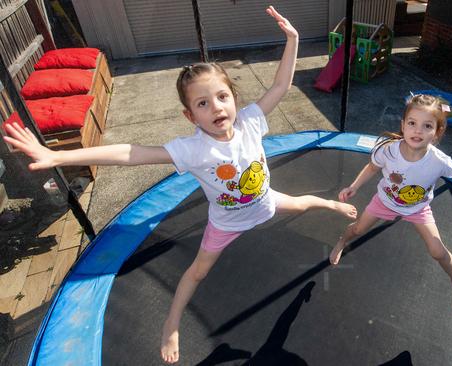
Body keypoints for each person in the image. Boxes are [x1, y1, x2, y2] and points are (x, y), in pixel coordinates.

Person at [3, 6, 357, 364]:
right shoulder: (194, 149)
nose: (216, 107)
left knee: (303, 202)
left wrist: (293, 39)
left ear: (234, 99)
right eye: (203, 103)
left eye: (222, 97)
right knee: (196, 274)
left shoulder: (251, 121)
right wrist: (59, 158)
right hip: (225, 223)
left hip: (264, 201)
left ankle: (331, 204)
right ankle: (170, 325)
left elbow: (281, 85)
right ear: (191, 115)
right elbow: (132, 153)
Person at [329, 94, 452, 313]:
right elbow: (372, 167)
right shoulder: (388, 150)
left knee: (437, 251)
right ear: (403, 125)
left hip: (418, 208)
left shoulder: (438, 161)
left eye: (427, 126)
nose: (418, 131)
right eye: (412, 124)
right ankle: (342, 241)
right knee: (358, 228)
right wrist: (354, 186)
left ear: (437, 132)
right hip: (385, 201)